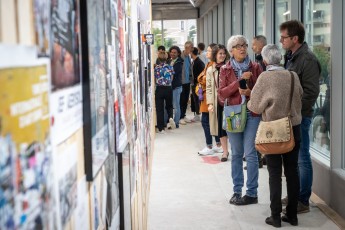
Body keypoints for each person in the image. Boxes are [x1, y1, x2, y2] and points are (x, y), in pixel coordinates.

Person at [248, 44, 303, 227]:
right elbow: (300, 96)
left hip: (273, 130)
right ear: (280, 58)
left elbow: (254, 107)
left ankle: (276, 216)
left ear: (264, 60)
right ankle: (293, 215)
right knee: (292, 172)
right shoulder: (292, 76)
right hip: (294, 128)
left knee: (274, 173)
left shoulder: (265, 77)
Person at [280, 20, 321, 214]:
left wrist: (294, 110)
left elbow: (311, 93)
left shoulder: (308, 59)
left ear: (295, 39)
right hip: (291, 116)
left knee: (303, 158)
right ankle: (295, 195)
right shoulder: (291, 57)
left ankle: (303, 200)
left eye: (284, 37)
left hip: (301, 117)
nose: (281, 41)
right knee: (294, 159)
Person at [218, 35, 262, 205]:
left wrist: (250, 92)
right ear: (231, 51)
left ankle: (252, 193)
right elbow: (222, 94)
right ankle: (237, 190)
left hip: (252, 113)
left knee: (250, 153)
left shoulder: (256, 67)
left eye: (244, 45)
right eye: (238, 46)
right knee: (236, 153)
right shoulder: (225, 69)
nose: (242, 48)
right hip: (233, 114)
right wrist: (239, 81)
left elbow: (262, 91)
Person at [197, 43, 224, 156]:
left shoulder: (213, 66)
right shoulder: (208, 64)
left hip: (210, 98)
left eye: (209, 51)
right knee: (210, 122)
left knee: (207, 122)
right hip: (206, 97)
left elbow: (203, 80)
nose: (206, 53)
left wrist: (200, 83)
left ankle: (210, 145)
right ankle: (218, 144)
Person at [205, 44, 230, 161]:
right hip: (218, 102)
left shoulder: (230, 67)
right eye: (220, 53)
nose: (222, 55)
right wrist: (210, 103)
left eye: (224, 53)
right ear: (215, 55)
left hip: (230, 101)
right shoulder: (211, 69)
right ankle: (225, 152)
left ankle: (239, 152)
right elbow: (209, 87)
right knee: (221, 129)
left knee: (234, 126)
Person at [154, 54, 176, 134]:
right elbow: (172, 78)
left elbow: (155, 78)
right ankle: (170, 117)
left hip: (159, 88)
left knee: (159, 109)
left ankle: (161, 129)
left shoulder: (156, 68)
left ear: (158, 59)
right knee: (169, 105)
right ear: (167, 59)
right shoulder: (170, 67)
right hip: (168, 88)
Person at [168, 46, 184, 129]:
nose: (173, 54)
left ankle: (176, 122)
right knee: (172, 105)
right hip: (171, 86)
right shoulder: (170, 61)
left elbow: (173, 72)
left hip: (176, 87)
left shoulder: (179, 62)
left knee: (176, 106)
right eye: (171, 52)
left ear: (178, 53)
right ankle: (172, 122)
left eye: (175, 52)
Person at [180, 41, 193, 125]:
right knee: (182, 100)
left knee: (186, 100)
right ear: (187, 48)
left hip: (187, 82)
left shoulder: (188, 56)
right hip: (181, 82)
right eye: (191, 48)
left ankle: (184, 115)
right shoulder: (181, 56)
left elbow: (189, 68)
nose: (192, 49)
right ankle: (180, 117)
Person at [190, 47, 205, 121]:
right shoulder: (195, 61)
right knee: (195, 99)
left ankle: (198, 114)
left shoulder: (198, 62)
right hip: (195, 83)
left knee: (197, 99)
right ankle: (197, 114)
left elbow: (202, 73)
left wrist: (198, 82)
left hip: (198, 84)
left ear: (192, 53)